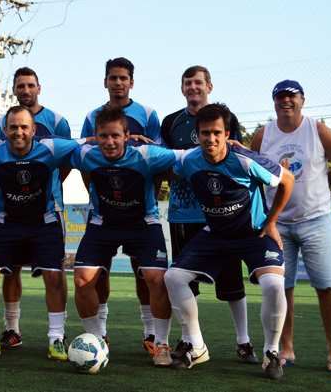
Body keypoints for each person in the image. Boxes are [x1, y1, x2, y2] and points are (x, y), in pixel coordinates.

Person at [164, 103, 294, 380]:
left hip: (253, 234)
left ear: (227, 133)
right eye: (204, 133)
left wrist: (271, 222)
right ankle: (196, 345)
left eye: (216, 133)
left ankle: (272, 353)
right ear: (197, 135)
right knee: (173, 277)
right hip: (216, 234)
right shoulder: (189, 160)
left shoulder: (245, 159)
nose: (210, 139)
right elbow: (164, 168)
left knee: (273, 284)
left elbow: (288, 180)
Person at [0, 105, 82, 360]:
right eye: (13, 127)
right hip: (4, 221)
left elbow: (87, 144)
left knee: (54, 278)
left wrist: (127, 140)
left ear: (34, 130)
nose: (18, 132)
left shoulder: (52, 148)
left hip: (42, 221)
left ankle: (56, 339)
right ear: (4, 129)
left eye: (23, 127)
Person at [251, 80, 331, 373]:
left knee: (327, 287)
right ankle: (287, 348)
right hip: (276, 224)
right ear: (274, 102)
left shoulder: (317, 130)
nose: (286, 101)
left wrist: (320, 187)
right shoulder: (262, 135)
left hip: (315, 220)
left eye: (291, 96)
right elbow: (254, 176)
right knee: (283, 288)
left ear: (302, 100)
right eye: (280, 97)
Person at [70, 104, 182, 367]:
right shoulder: (86, 154)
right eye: (103, 136)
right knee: (82, 281)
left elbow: (186, 155)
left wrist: (228, 146)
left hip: (142, 224)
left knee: (156, 279)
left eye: (115, 136)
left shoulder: (146, 154)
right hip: (103, 224)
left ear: (127, 135)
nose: (109, 142)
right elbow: (43, 145)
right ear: (95, 136)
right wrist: (83, 139)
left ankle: (161, 344)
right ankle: (96, 341)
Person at [160, 66, 257, 364]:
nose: (193, 87)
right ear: (182, 88)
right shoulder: (170, 123)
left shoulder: (226, 118)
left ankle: (244, 342)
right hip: (182, 214)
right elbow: (165, 164)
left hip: (222, 215)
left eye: (198, 83)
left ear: (209, 87)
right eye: (187, 83)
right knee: (182, 281)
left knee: (231, 283)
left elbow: (236, 160)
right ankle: (190, 341)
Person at [79, 57, 161, 351]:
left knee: (144, 271)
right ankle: (100, 331)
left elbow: (157, 156)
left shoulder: (148, 114)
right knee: (99, 270)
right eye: (112, 78)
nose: (117, 82)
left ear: (131, 82)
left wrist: (138, 144)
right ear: (105, 82)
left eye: (123, 78)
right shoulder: (93, 115)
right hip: (103, 210)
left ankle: (151, 333)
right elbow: (86, 157)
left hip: (139, 210)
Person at [0, 67, 72, 350]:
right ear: (14, 89)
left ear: (39, 88)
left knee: (55, 271)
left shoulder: (57, 121)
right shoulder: (4, 121)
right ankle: (12, 329)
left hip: (49, 209)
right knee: (10, 269)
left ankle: (57, 335)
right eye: (20, 86)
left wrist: (44, 184)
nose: (25, 90)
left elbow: (67, 159)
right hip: (10, 211)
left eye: (30, 85)